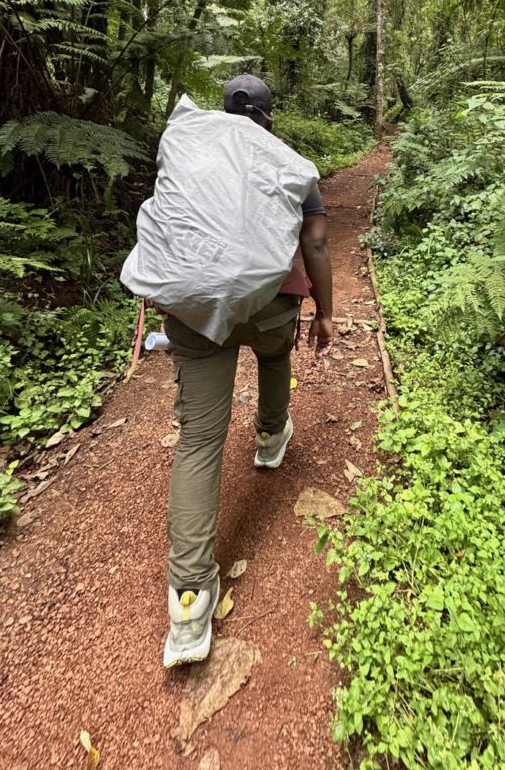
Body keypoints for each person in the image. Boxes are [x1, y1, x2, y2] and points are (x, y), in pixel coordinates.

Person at [161, 74, 334, 668]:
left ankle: (188, 605)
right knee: (274, 351)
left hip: (194, 311)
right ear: (267, 116)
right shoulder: (288, 161)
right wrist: (325, 312)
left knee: (200, 441)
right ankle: (269, 433)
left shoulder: (195, 147)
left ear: (224, 109)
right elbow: (315, 245)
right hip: (269, 306)